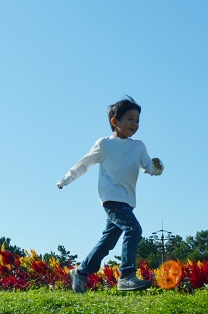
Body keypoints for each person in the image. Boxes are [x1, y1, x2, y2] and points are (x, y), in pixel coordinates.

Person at [57, 96, 164, 293]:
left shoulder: (138, 146)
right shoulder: (105, 144)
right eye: (130, 119)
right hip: (111, 199)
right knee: (134, 230)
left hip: (128, 201)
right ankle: (127, 276)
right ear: (115, 121)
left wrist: (158, 167)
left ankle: (80, 273)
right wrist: (66, 180)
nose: (135, 124)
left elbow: (149, 168)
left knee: (108, 242)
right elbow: (84, 163)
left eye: (138, 120)